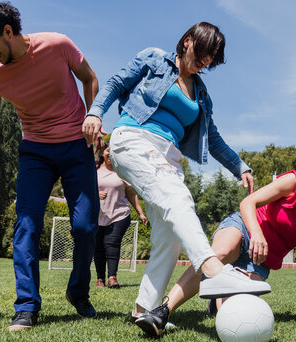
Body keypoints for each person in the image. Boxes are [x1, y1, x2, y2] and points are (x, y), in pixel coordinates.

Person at [83, 22, 271, 325]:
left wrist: (240, 166)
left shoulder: (201, 92)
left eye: (212, 59)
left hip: (168, 157)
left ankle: (144, 310)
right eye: (204, 52)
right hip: (133, 139)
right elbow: (116, 83)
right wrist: (95, 112)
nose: (206, 61)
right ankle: (214, 270)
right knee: (178, 198)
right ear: (186, 41)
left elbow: (214, 138)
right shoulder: (154, 59)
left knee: (169, 236)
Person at [0, 1, 100, 331]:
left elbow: (89, 79)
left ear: (8, 32)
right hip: (35, 153)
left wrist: (90, 116)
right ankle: (27, 306)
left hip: (75, 147)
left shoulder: (57, 45)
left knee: (85, 227)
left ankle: (78, 292)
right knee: (26, 225)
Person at [135, 157, 296, 336]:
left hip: (262, 260)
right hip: (244, 228)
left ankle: (217, 299)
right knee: (219, 254)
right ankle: (162, 312)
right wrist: (257, 234)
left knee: (233, 312)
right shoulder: (294, 182)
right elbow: (248, 203)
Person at [94, 142, 147, 288]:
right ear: (102, 153)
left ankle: (112, 277)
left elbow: (131, 193)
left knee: (111, 243)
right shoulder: (93, 171)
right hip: (97, 216)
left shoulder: (122, 172)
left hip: (119, 214)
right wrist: (95, 194)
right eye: (107, 151)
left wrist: (140, 213)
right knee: (98, 247)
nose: (110, 154)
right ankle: (100, 279)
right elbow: (83, 190)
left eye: (113, 151)